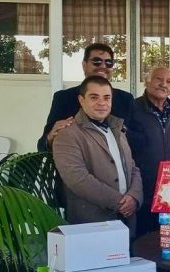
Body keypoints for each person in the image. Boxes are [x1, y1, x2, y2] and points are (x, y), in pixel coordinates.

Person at [51, 75, 142, 233]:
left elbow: (133, 167)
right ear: (81, 100)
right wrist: (119, 202)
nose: (102, 103)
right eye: (94, 97)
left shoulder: (118, 130)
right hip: (91, 224)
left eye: (107, 97)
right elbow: (77, 178)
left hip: (126, 221)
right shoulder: (68, 134)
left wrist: (134, 197)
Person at [126, 67, 170, 272]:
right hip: (141, 191)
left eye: (169, 81)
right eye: (159, 79)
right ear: (146, 80)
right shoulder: (132, 110)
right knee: (141, 246)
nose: (164, 84)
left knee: (167, 247)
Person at [38, 43, 134, 152]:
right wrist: (51, 136)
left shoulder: (125, 99)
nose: (103, 66)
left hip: (117, 166)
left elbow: (134, 141)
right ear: (84, 65)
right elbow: (42, 145)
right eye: (97, 62)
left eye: (109, 63)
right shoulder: (64, 98)